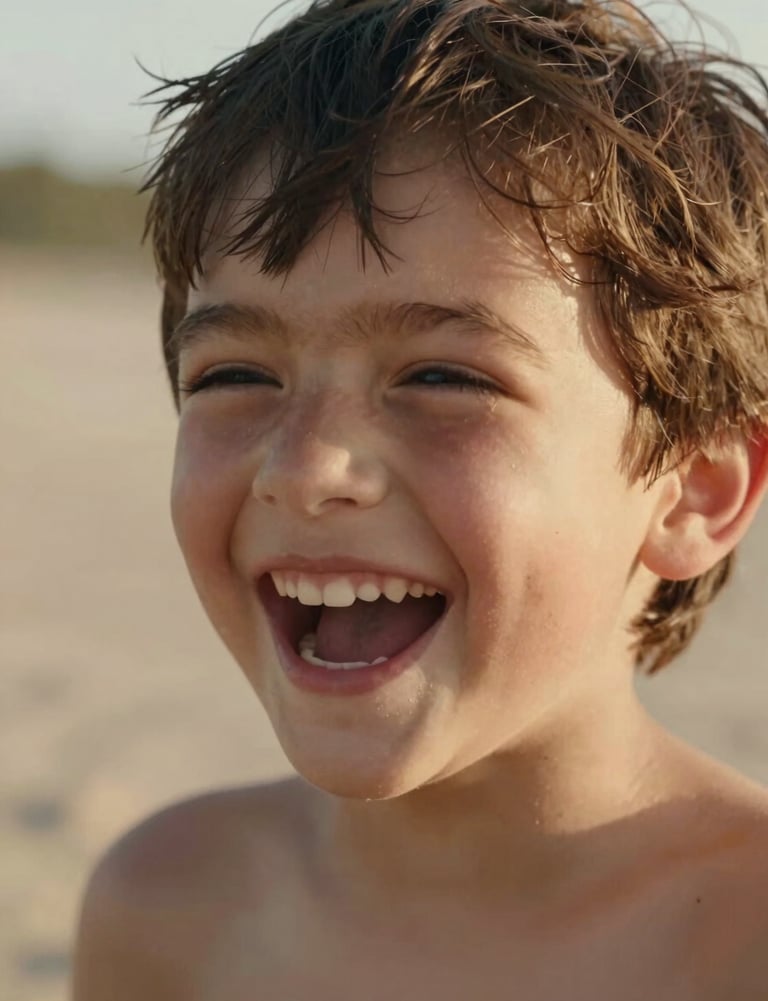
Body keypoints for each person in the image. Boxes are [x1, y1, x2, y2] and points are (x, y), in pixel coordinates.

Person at [73, 1, 768, 997]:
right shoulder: (168, 907)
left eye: (443, 378)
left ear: (696, 488)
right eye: (234, 375)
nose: (304, 466)